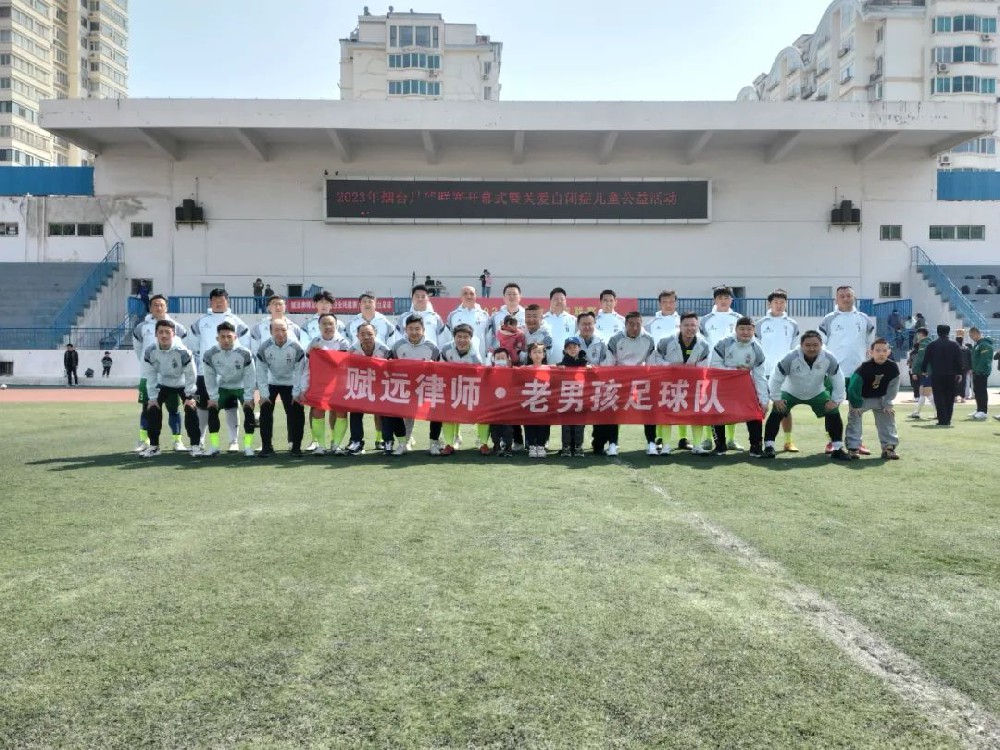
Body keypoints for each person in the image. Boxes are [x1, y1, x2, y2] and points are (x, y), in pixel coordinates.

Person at [761, 330, 853, 461]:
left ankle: (837, 448)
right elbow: (776, 377)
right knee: (777, 410)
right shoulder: (790, 357)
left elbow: (838, 379)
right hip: (790, 392)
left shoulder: (829, 358)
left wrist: (835, 400)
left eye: (815, 345)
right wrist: (776, 398)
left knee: (833, 411)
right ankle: (769, 447)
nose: (812, 348)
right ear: (801, 345)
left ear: (821, 345)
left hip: (817, 392)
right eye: (808, 345)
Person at [189, 288, 251, 452]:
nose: (218, 302)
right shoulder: (201, 321)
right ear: (210, 302)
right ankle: (200, 440)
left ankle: (233, 441)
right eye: (215, 300)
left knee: (231, 407)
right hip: (205, 372)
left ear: (227, 301)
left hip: (229, 373)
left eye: (221, 300)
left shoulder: (236, 321)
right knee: (203, 407)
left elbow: (245, 344)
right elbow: (193, 344)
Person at [819, 285, 875, 454]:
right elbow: (821, 345)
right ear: (836, 299)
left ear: (854, 298)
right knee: (832, 407)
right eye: (842, 296)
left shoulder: (864, 319)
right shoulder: (829, 319)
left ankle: (856, 442)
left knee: (856, 408)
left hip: (858, 372)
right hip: (834, 372)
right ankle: (832, 441)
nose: (845, 298)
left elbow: (870, 345)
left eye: (848, 295)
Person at [132, 294, 189, 452]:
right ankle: (144, 440)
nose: (158, 308)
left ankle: (177, 441)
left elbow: (183, 349)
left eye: (161, 305)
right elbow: (139, 350)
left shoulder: (177, 327)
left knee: (173, 409)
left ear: (166, 307)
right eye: (155, 305)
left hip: (170, 377)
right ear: (150, 308)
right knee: (147, 408)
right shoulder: (141, 328)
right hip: (148, 376)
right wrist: (147, 366)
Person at [138, 320, 200, 458]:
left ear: (173, 334)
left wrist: (190, 396)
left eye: (167, 332)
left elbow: (191, 374)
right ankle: (154, 446)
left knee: (191, 407)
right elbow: (150, 375)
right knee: (152, 408)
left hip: (183, 383)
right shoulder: (150, 351)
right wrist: (152, 398)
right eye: (160, 332)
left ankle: (195, 446)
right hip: (163, 383)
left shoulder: (183, 351)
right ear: (156, 334)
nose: (164, 335)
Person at [654, 311, 712, 454]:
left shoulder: (703, 344)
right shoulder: (665, 341)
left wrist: (691, 370)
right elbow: (656, 360)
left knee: (696, 413)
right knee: (666, 413)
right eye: (686, 325)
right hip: (669, 384)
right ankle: (666, 446)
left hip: (693, 385)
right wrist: (670, 366)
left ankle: (697, 445)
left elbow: (704, 366)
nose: (690, 328)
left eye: (693, 325)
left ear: (697, 326)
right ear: (680, 326)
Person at [709, 316, 768, 457]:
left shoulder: (757, 349)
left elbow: (760, 377)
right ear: (735, 329)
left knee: (754, 411)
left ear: (753, 330)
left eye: (749, 329)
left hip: (744, 388)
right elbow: (714, 366)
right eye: (742, 329)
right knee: (716, 412)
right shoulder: (723, 344)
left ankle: (756, 446)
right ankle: (720, 446)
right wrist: (736, 371)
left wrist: (764, 400)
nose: (745, 332)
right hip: (723, 386)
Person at [384, 314, 442, 456]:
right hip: (404, 387)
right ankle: (403, 442)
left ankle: (434, 442)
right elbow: (389, 366)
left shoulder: (432, 347)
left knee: (437, 409)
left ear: (423, 330)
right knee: (398, 412)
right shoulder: (398, 346)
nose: (414, 332)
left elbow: (440, 369)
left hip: (426, 387)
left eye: (417, 329)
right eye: (410, 329)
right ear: (405, 330)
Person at [200, 320, 257, 457]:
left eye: (229, 337)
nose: (226, 340)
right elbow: (209, 377)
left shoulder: (245, 353)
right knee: (212, 409)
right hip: (223, 387)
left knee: (248, 411)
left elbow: (250, 376)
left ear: (235, 337)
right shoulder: (209, 354)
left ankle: (248, 446)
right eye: (223, 337)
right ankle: (214, 446)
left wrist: (248, 397)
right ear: (217, 338)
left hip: (241, 387)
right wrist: (213, 397)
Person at [755, 289, 801, 452]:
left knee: (784, 408)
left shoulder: (792, 324)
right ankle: (757, 441)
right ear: (769, 304)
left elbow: (796, 349)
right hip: (763, 372)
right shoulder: (760, 324)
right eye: (776, 302)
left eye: (782, 302)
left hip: (784, 373)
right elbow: (756, 349)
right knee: (760, 407)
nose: (779, 305)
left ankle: (788, 441)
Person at [300, 313, 351, 455]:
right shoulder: (314, 342)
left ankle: (336, 445)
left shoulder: (344, 343)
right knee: (318, 411)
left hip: (338, 384)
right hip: (319, 384)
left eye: (330, 324)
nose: (327, 327)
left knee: (341, 413)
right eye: (324, 324)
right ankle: (321, 446)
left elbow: (342, 365)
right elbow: (307, 367)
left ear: (336, 325)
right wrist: (304, 387)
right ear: (319, 326)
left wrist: (323, 352)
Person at [700, 285, 744, 450]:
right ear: (715, 300)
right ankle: (708, 439)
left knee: (731, 404)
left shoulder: (738, 318)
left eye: (727, 298)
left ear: (731, 300)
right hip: (711, 369)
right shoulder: (706, 320)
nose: (723, 301)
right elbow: (702, 345)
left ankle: (731, 439)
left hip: (733, 369)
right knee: (709, 403)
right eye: (720, 298)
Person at [607, 311, 656, 456]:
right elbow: (610, 363)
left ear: (642, 324)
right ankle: (612, 444)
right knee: (615, 411)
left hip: (641, 380)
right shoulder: (615, 339)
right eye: (631, 324)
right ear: (625, 324)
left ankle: (651, 443)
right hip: (619, 380)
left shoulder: (649, 339)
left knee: (648, 410)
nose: (635, 327)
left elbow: (651, 364)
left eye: (638, 324)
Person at [256, 319, 307, 457]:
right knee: (265, 409)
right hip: (271, 381)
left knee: (297, 410)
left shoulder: (296, 347)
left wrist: (296, 393)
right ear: (271, 332)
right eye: (277, 330)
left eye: (283, 330)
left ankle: (296, 447)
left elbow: (299, 372)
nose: (280, 333)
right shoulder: (264, 347)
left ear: (288, 330)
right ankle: (267, 447)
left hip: (291, 383)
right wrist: (264, 395)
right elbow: (261, 372)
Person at [846, 339, 900, 460]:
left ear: (889, 352)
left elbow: (893, 387)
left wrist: (887, 403)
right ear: (871, 352)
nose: (881, 353)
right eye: (878, 350)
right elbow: (853, 387)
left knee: (888, 416)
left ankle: (888, 448)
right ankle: (853, 448)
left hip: (881, 398)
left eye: (884, 351)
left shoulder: (892, 367)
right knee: (855, 418)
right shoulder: (864, 367)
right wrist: (856, 404)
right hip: (862, 398)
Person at [439, 323, 486, 456]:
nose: (462, 340)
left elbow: (479, 376)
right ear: (454, 337)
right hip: (450, 386)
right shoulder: (446, 349)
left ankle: (482, 442)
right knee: (448, 413)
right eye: (459, 337)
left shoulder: (476, 357)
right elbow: (441, 370)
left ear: (470, 338)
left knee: (483, 413)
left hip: (470, 388)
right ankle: (449, 443)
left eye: (465, 337)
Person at [345, 322, 392, 455]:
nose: (366, 337)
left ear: (375, 334)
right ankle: (356, 442)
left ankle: (387, 441)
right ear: (357, 336)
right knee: (355, 411)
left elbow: (391, 370)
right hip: (360, 385)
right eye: (362, 334)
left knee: (385, 412)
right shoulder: (352, 351)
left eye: (369, 334)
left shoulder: (385, 350)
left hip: (379, 385)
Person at [577, 311, 614, 455]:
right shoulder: (572, 341)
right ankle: (576, 444)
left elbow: (608, 360)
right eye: (584, 324)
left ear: (594, 325)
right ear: (578, 325)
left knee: (600, 414)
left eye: (590, 324)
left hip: (598, 383)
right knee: (578, 414)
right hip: (578, 384)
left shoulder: (602, 341)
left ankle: (598, 444)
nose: (587, 327)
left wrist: (596, 369)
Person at [917, 324, 964, 427]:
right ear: (948, 332)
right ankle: (948, 419)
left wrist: (924, 370)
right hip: (951, 375)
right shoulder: (954, 345)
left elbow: (926, 359)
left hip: (936, 374)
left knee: (939, 397)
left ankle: (942, 419)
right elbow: (959, 360)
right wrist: (959, 373)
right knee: (949, 397)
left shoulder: (932, 345)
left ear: (938, 332)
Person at [558, 336, 588, 457]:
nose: (572, 349)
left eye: (574, 347)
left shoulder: (584, 363)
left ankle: (578, 446)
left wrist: (590, 369)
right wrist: (559, 368)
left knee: (579, 424)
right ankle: (566, 446)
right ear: (565, 350)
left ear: (579, 348)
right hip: (566, 398)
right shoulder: (561, 364)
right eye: (569, 348)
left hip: (581, 398)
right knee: (566, 424)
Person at [446, 286, 492, 359]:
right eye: (465, 294)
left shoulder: (484, 315)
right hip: (458, 359)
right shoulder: (453, 315)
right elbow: (449, 337)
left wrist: (485, 353)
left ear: (475, 296)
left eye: (471, 294)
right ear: (461, 297)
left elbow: (488, 337)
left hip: (479, 358)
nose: (469, 296)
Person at [523, 342, 552, 458]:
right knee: (529, 424)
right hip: (530, 402)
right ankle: (531, 446)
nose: (537, 354)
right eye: (534, 352)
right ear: (530, 355)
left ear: (544, 354)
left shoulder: (549, 368)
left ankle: (541, 445)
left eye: (539, 352)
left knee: (544, 425)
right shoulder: (525, 369)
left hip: (544, 402)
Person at [487, 348, 515, 456]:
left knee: (507, 429)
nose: (500, 360)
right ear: (493, 360)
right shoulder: (489, 372)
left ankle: (508, 448)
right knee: (494, 429)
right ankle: (497, 446)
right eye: (498, 358)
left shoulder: (514, 372)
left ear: (508, 359)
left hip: (508, 407)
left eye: (502, 358)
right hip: (493, 407)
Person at [542, 287, 577, 361]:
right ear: (550, 301)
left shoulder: (573, 320)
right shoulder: (542, 320)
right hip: (546, 363)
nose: (559, 301)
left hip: (568, 363)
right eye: (556, 299)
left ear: (565, 301)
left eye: (562, 299)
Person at [907, 327, 934, 420]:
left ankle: (939, 412)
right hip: (927, 371)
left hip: (926, 371)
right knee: (922, 392)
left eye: (917, 334)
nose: (916, 337)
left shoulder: (924, 344)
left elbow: (920, 359)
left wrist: (915, 371)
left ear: (920, 334)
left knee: (927, 392)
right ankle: (916, 412)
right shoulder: (928, 342)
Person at [489, 282, 525, 348]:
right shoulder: (496, 316)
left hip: (522, 352)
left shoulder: (526, 316)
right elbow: (490, 337)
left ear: (520, 296)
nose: (511, 296)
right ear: (504, 297)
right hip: (502, 352)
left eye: (514, 294)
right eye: (509, 294)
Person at [968, 327, 993, 420]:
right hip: (977, 372)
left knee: (981, 391)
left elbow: (985, 360)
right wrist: (973, 369)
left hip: (982, 372)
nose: (972, 338)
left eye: (972, 336)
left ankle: (983, 411)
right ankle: (979, 409)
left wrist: (979, 370)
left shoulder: (984, 344)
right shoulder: (978, 344)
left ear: (976, 333)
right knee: (977, 391)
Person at [955, 328, 973, 402]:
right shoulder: (967, 348)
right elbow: (970, 359)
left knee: (955, 383)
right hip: (964, 368)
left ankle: (955, 397)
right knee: (963, 383)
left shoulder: (954, 348)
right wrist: (970, 368)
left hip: (955, 368)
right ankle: (962, 397)